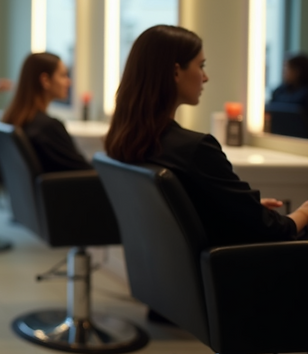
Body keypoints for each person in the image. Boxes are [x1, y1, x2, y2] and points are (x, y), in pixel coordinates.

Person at [105, 25, 307, 247]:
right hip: (232, 270)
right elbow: (273, 230)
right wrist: (303, 213)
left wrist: (244, 211)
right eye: (201, 66)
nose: (206, 77)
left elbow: (184, 214)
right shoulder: (195, 149)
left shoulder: (128, 142)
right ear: (175, 72)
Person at [1, 53, 92, 172]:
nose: (69, 82)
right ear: (45, 80)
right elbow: (85, 171)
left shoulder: (14, 120)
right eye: (63, 75)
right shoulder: (48, 127)